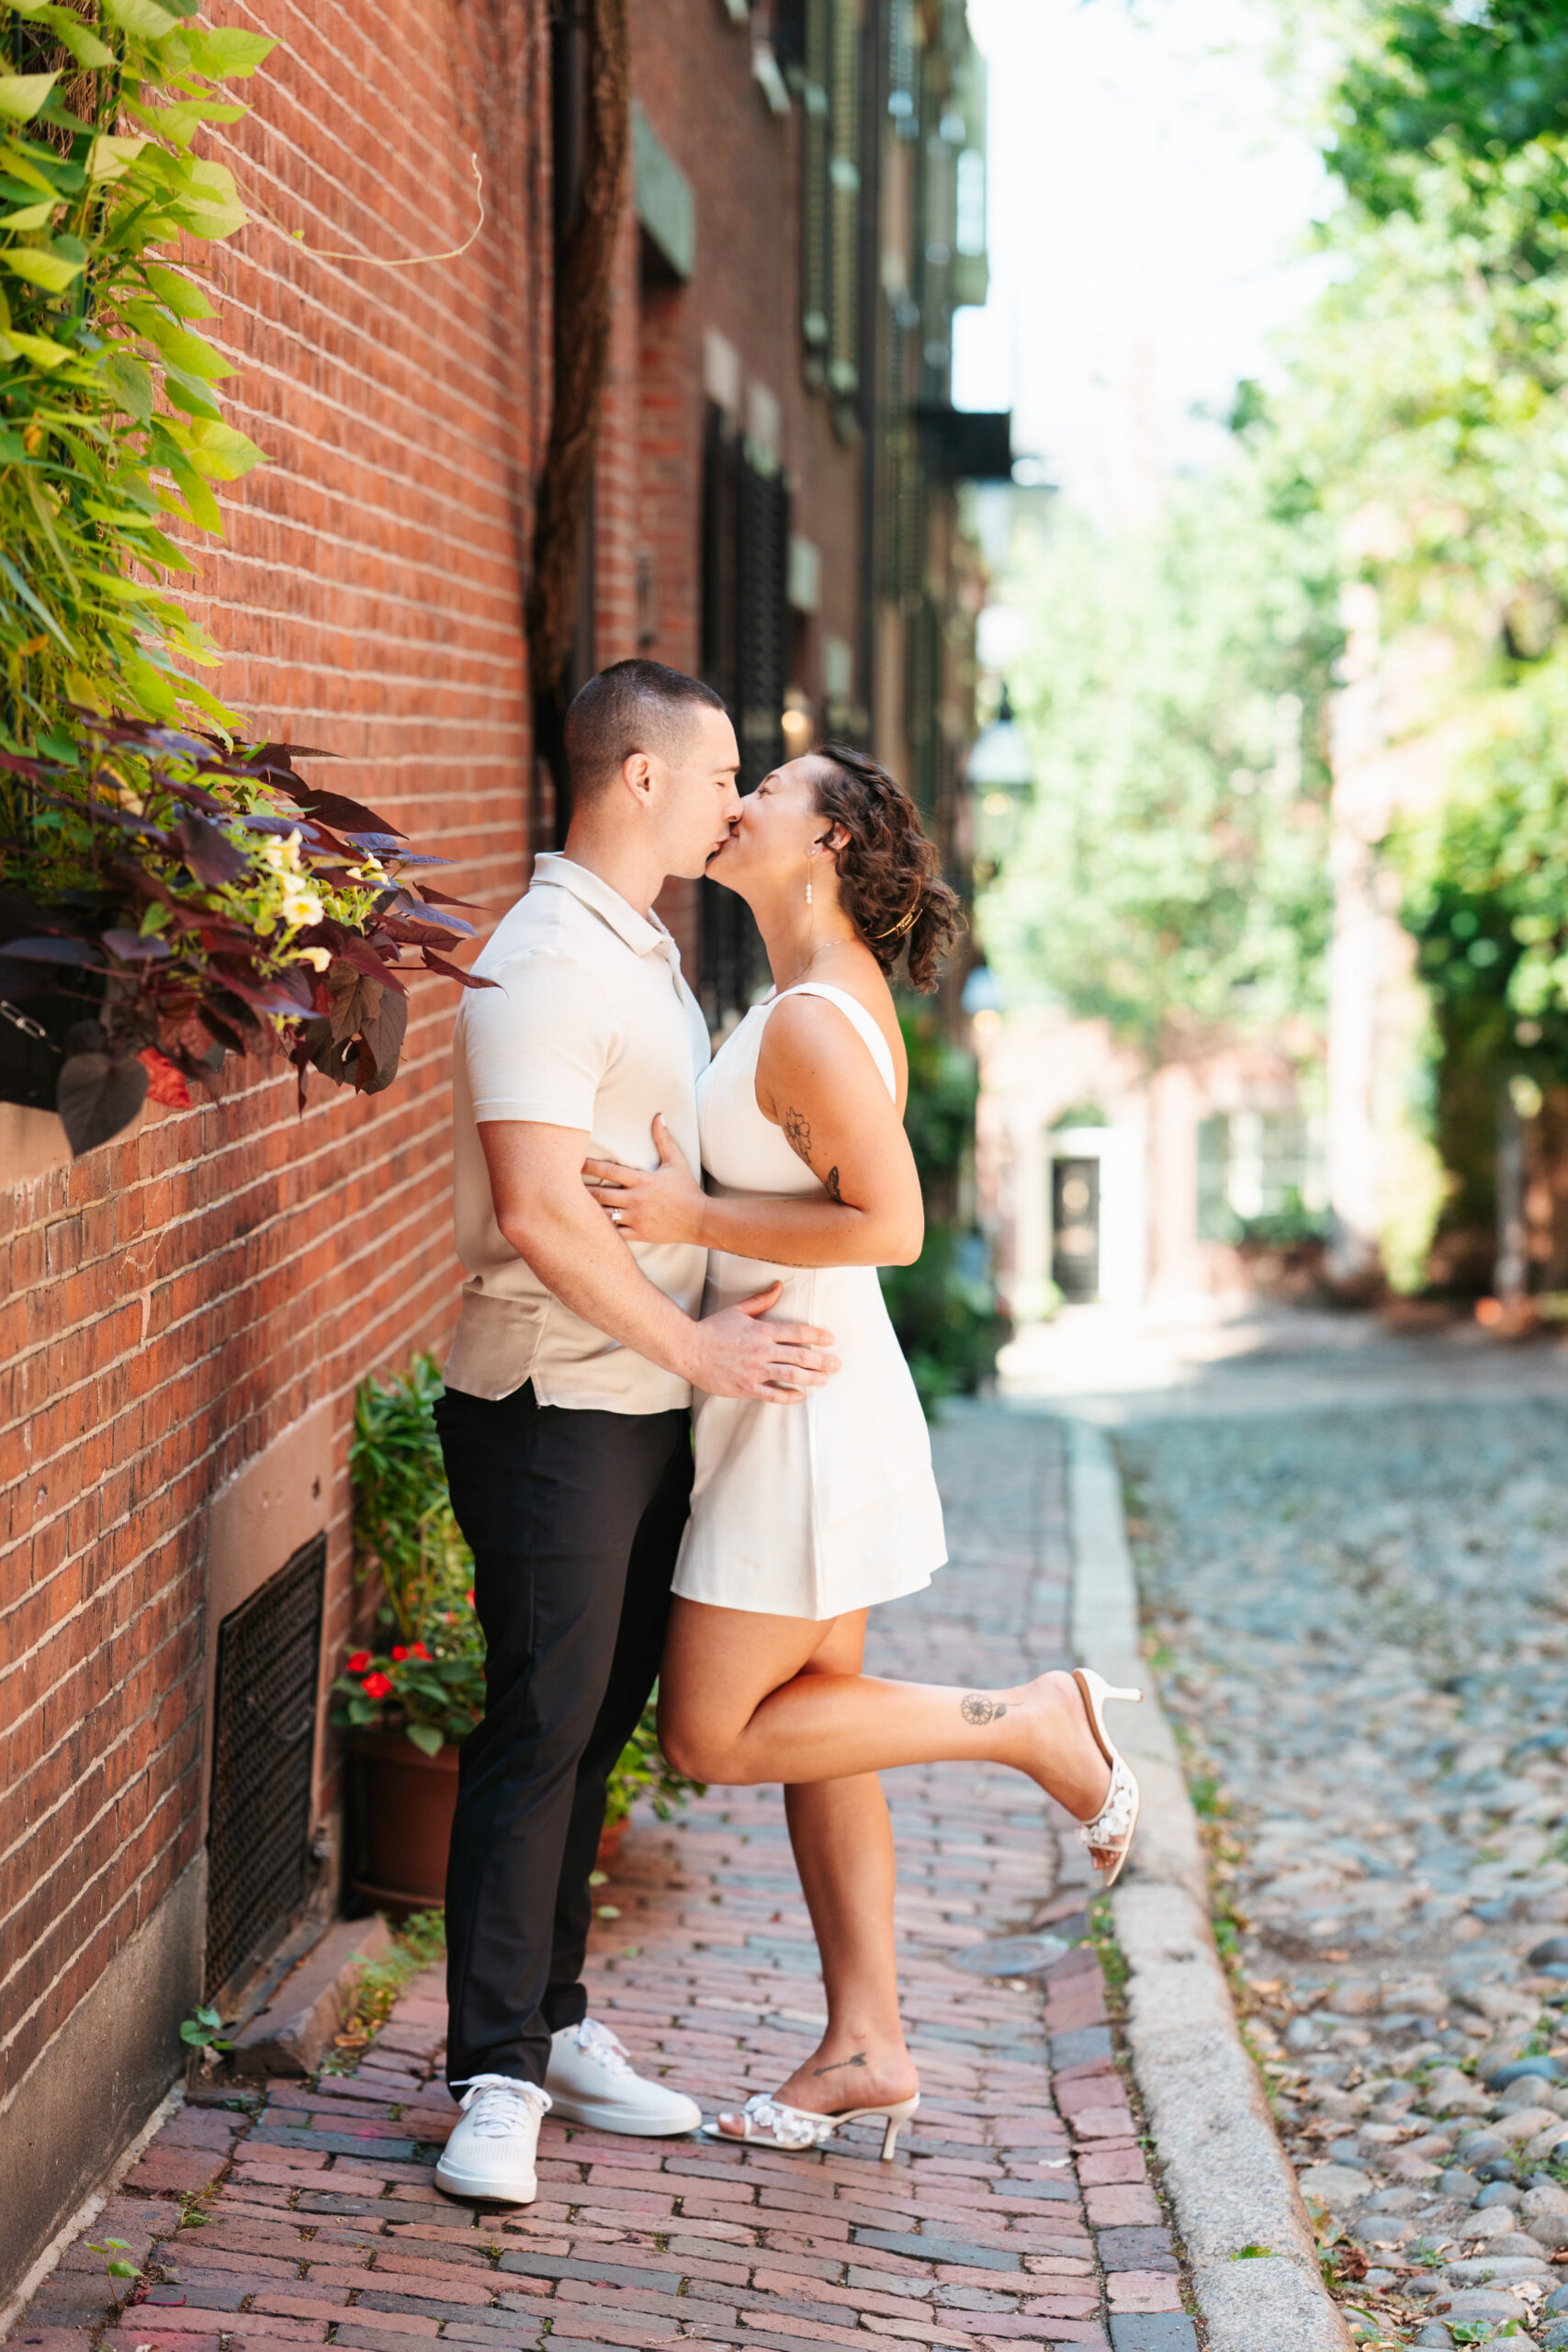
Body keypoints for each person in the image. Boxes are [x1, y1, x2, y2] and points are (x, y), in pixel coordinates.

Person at [581, 743, 1142, 2158]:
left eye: (766, 786)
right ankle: (867, 2044)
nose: (740, 799)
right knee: (824, 1725)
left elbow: (889, 1226)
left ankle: (1028, 1721)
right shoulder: (801, 1004)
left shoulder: (816, 1020)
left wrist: (686, 1216)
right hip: (796, 1392)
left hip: (802, 1413)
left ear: (827, 842)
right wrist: (688, 1189)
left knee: (714, 1736)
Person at [432, 661, 840, 2208]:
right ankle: (489, 2077)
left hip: (644, 1404)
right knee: (539, 1732)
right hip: (552, 1408)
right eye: (726, 769)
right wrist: (700, 1344)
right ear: (642, 777)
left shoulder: (647, 951)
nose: (742, 798)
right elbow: (538, 1209)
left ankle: (553, 2020)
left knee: (592, 1726)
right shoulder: (545, 958)